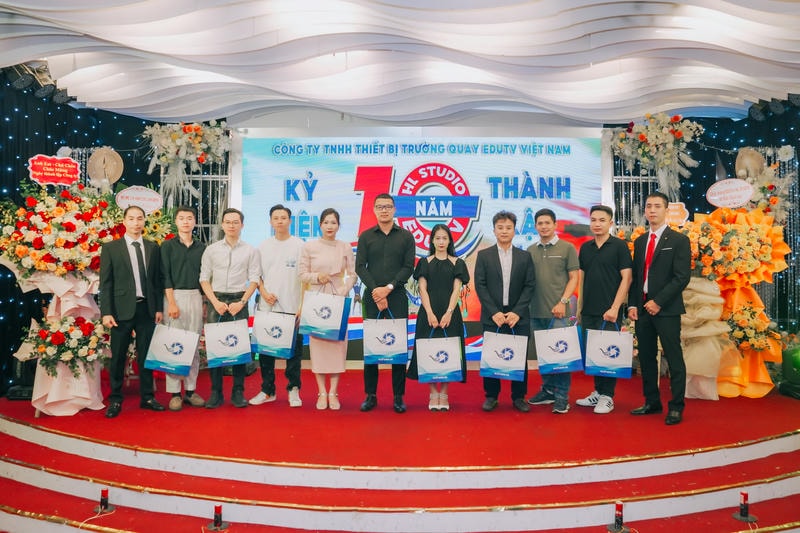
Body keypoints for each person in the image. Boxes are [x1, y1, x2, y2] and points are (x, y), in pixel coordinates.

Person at [627, 192, 691, 425]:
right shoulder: (640, 241)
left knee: (674, 358)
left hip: (667, 309)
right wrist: (633, 304)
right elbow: (636, 277)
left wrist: (658, 301)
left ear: (666, 210)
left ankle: (676, 407)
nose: (652, 210)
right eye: (648, 206)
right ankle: (652, 402)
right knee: (646, 358)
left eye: (657, 206)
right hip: (642, 308)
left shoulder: (678, 240)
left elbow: (681, 277)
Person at [100, 205, 164, 418]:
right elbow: (106, 283)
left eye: (140, 218)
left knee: (146, 355)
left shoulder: (152, 247)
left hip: (147, 308)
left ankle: (147, 397)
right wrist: (106, 312)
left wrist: (158, 308)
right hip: (120, 311)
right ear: (124, 221)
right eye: (132, 218)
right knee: (118, 357)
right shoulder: (111, 248)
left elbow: (157, 281)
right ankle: (115, 399)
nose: (136, 223)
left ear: (144, 221)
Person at [355, 193, 415, 413]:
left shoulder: (406, 237)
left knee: (397, 347)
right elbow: (360, 267)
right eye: (380, 206)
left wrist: (388, 288)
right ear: (374, 210)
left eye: (388, 206)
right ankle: (370, 395)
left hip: (397, 296)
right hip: (372, 297)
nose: (384, 210)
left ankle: (398, 397)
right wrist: (376, 291)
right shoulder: (366, 236)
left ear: (394, 209)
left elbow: (408, 267)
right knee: (373, 346)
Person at [474, 211, 535, 413]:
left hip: (518, 315)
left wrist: (517, 312)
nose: (504, 231)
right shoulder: (484, 255)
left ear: (514, 230)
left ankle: (519, 397)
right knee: (492, 355)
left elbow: (529, 285)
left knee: (519, 356)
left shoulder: (525, 256)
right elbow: (480, 285)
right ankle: (491, 396)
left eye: (508, 227)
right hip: (493, 315)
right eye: (500, 228)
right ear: (494, 230)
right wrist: (494, 312)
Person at [199, 208, 261, 409]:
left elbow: (254, 279)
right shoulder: (211, 250)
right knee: (215, 348)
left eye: (236, 222)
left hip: (238, 300)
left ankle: (238, 391)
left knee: (239, 348)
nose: (231, 225)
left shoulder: (251, 250)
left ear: (242, 225)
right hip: (216, 300)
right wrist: (214, 302)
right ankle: (216, 392)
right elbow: (204, 278)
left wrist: (242, 302)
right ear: (222, 224)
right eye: (228, 222)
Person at [575, 205, 632, 414]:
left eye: (602, 220)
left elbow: (627, 278)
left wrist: (615, 308)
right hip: (589, 310)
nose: (597, 224)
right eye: (593, 220)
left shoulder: (619, 246)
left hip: (610, 311)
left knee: (608, 353)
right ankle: (598, 392)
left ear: (610, 223)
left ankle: (608, 396)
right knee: (594, 353)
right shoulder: (586, 248)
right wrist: (579, 308)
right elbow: (582, 279)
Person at [407, 224, 470, 411]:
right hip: (428, 314)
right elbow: (422, 289)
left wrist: (449, 312)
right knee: (429, 351)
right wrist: (429, 312)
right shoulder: (424, 262)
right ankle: (433, 393)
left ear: (449, 241)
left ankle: (444, 393)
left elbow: (456, 290)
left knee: (449, 352)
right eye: (437, 238)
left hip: (451, 314)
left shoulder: (458, 263)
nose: (441, 242)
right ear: (432, 241)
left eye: (444, 238)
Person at [298, 208, 357, 410]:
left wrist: (344, 290)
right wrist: (317, 277)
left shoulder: (345, 247)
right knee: (319, 347)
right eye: (326, 222)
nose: (330, 226)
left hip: (337, 299)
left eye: (333, 222)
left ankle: (334, 392)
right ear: (320, 225)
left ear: (338, 226)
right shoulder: (309, 246)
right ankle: (322, 392)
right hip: (316, 300)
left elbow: (352, 274)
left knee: (337, 347)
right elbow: (302, 274)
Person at [525, 208, 579, 414]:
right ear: (535, 226)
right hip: (535, 312)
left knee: (561, 357)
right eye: (540, 223)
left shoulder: (567, 248)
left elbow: (574, 277)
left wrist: (563, 301)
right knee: (545, 356)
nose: (544, 226)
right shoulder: (530, 250)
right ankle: (548, 391)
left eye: (547, 222)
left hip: (559, 313)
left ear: (555, 225)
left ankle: (562, 397)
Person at [251, 204, 304, 408]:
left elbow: (305, 279)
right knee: (266, 351)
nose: (280, 221)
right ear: (270, 222)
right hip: (268, 307)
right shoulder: (263, 246)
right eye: (276, 218)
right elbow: (256, 275)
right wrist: (263, 292)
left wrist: (302, 306)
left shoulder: (299, 245)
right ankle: (267, 390)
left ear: (290, 221)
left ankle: (293, 389)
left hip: (292, 306)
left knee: (294, 352)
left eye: (283, 218)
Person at [160, 206, 206, 411]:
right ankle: (175, 393)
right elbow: (165, 275)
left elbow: (205, 277)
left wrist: (204, 302)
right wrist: (171, 302)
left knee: (193, 345)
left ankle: (190, 391)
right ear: (176, 221)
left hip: (195, 296)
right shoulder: (167, 246)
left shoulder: (202, 247)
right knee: (175, 345)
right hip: (174, 296)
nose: (186, 221)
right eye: (181, 218)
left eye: (189, 218)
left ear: (194, 222)